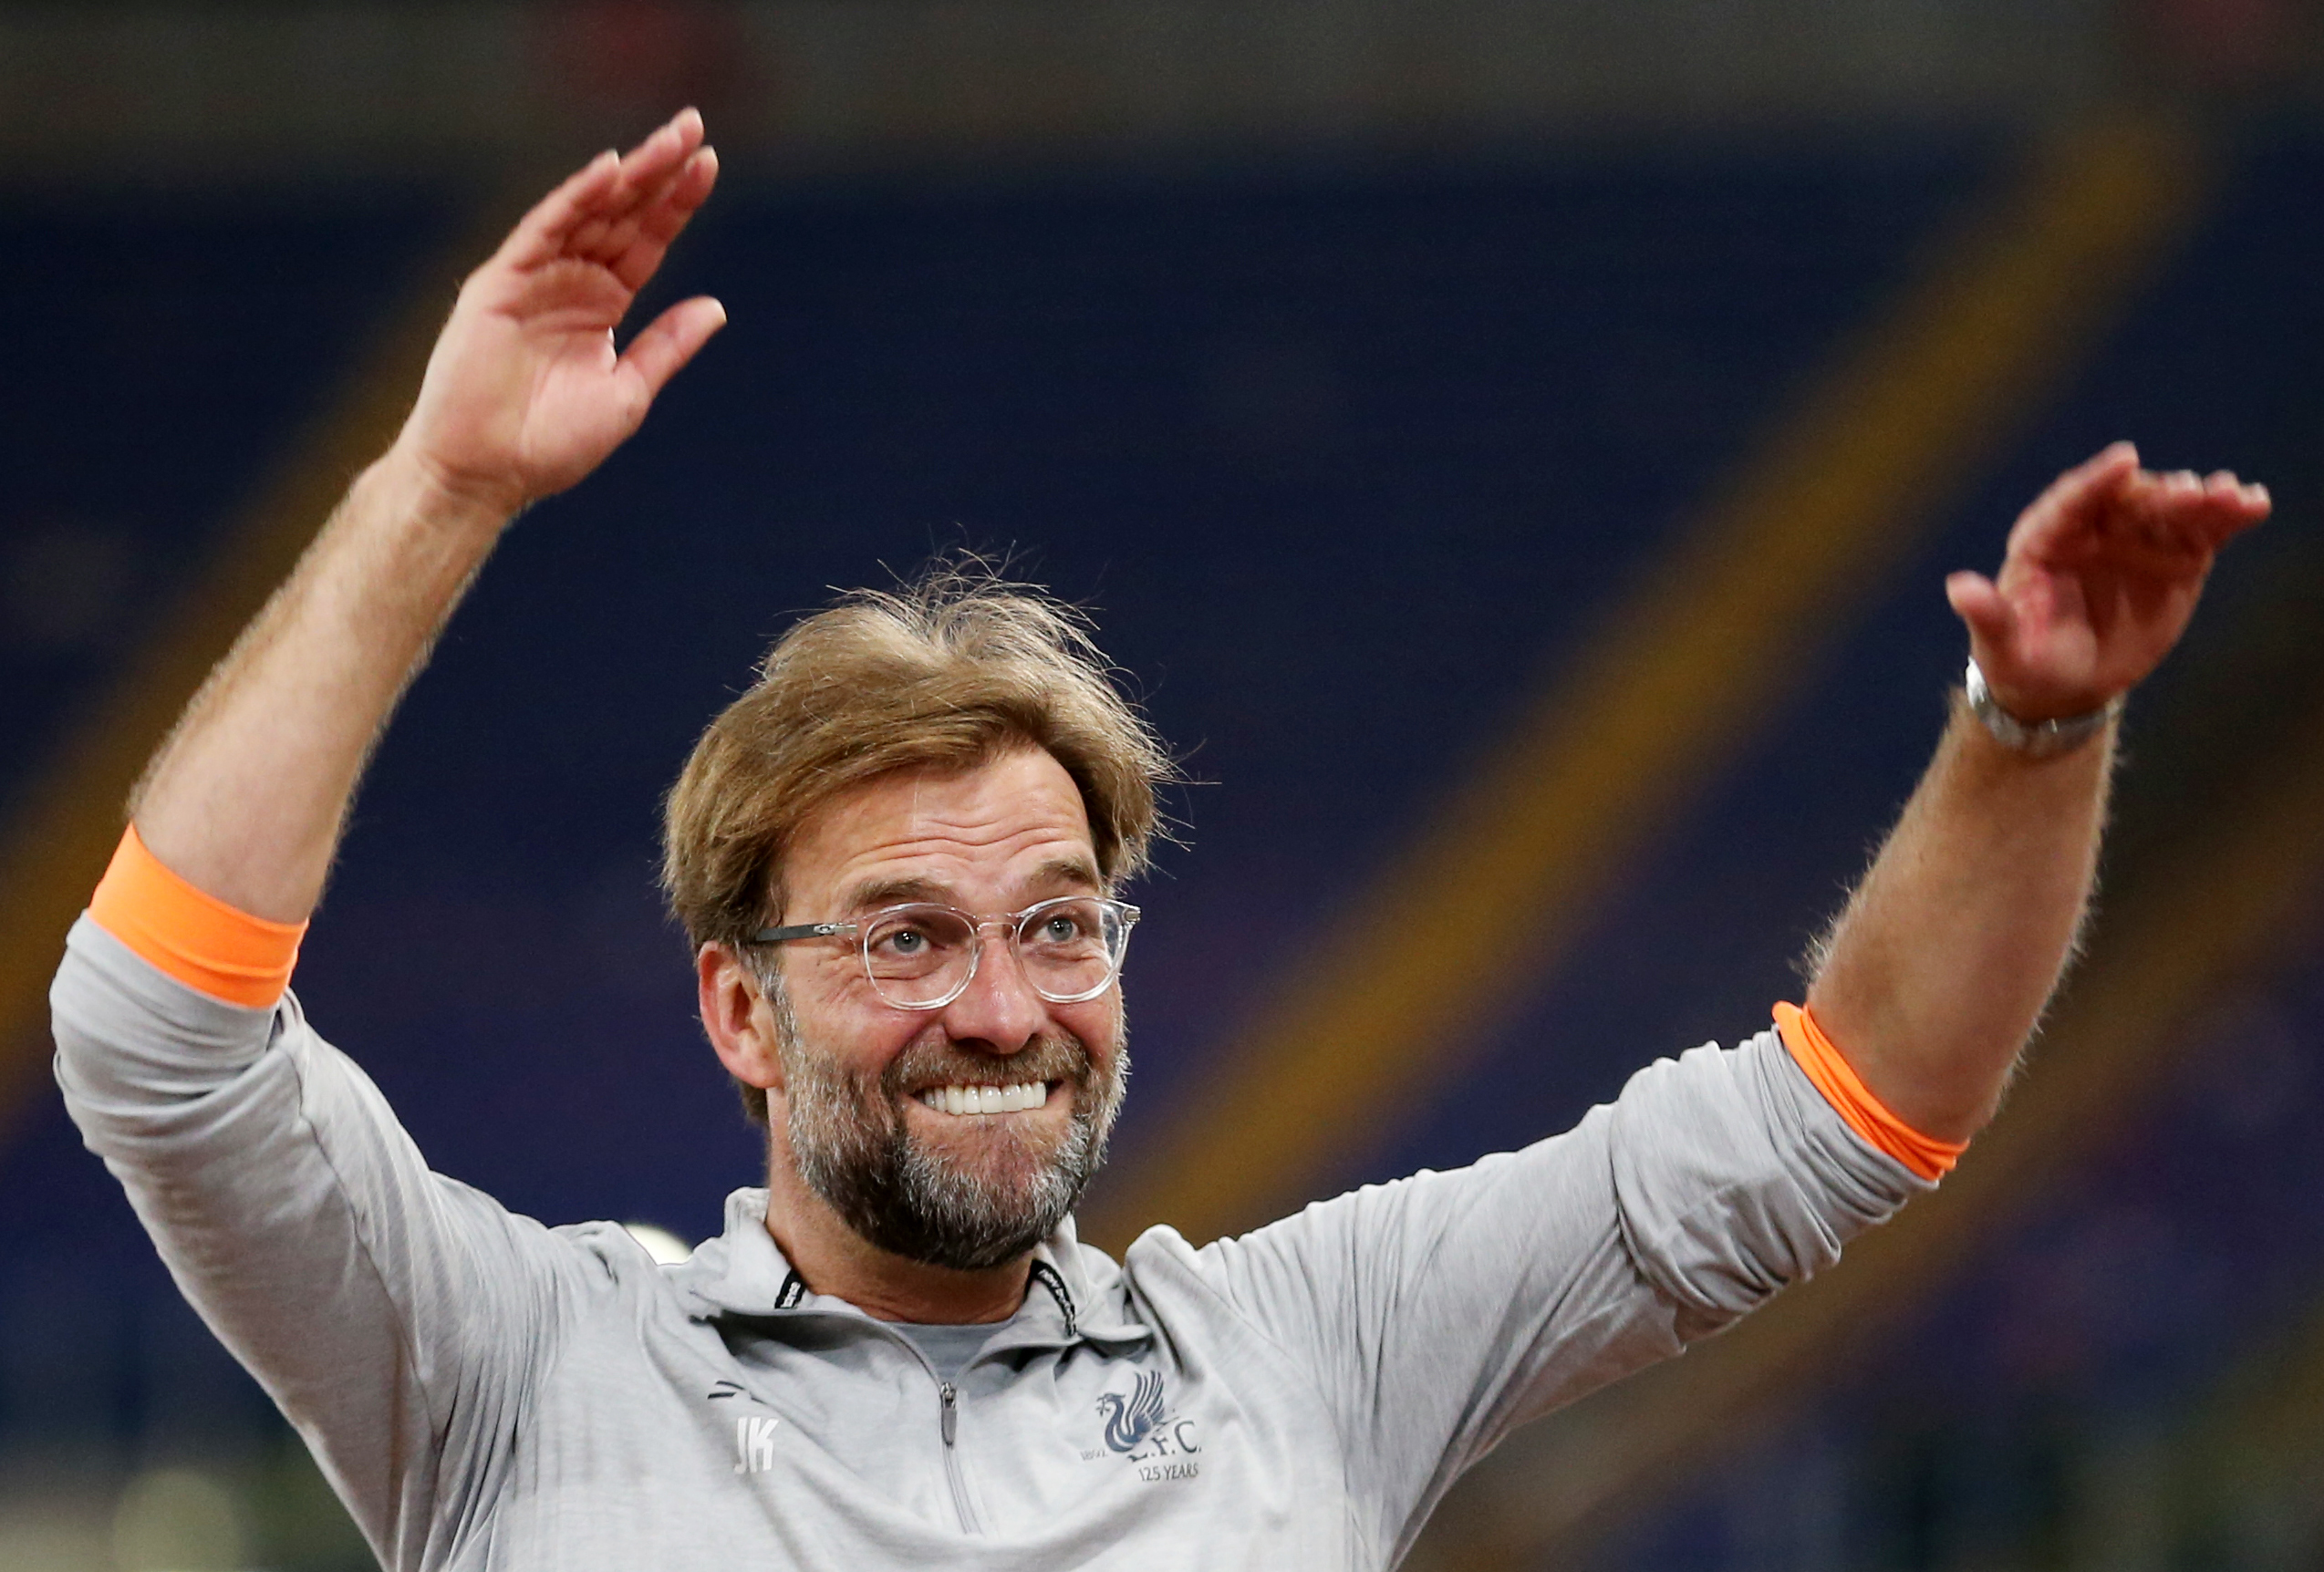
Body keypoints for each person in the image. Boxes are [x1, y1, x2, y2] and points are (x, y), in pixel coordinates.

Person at [50, 109, 2266, 1571]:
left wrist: (2029, 723)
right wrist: (437, 493)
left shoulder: (1306, 1352)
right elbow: (158, 1030)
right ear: (738, 1001)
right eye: (904, 938)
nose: (1000, 1007)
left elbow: (1845, 1123)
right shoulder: (509, 1365)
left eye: (1054, 924)